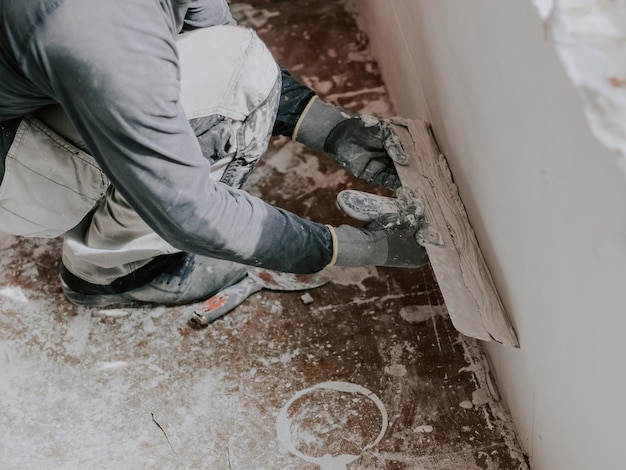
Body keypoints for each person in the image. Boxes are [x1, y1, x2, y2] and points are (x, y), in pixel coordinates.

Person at [0, 0, 428, 309]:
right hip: (13, 174)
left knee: (230, 59)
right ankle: (108, 274)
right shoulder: (107, 35)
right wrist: (353, 247)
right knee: (215, 127)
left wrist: (332, 129)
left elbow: (221, 48)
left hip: (31, 88)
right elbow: (188, 211)